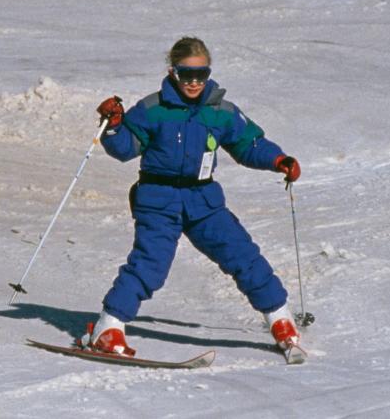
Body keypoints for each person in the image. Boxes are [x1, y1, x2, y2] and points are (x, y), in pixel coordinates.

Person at [84, 36, 304, 358]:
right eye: (186, 74)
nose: (194, 82)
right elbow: (124, 149)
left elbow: (249, 144)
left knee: (242, 255)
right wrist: (114, 126)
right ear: (173, 71)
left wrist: (278, 160)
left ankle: (280, 320)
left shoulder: (220, 110)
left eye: (201, 74)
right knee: (150, 265)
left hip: (203, 200)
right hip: (158, 200)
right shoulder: (152, 109)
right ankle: (108, 327)